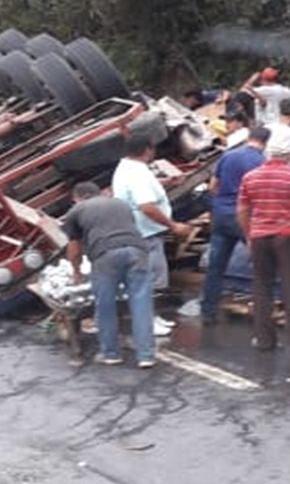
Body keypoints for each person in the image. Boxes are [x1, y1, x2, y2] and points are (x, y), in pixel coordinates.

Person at [236, 129, 290, 353]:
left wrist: (249, 235)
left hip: (259, 237)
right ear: (288, 155)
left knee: (262, 288)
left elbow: (242, 210)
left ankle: (264, 340)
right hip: (288, 236)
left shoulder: (250, 177)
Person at [62, 181, 156, 368]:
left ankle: (111, 353)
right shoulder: (120, 204)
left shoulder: (75, 211)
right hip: (137, 251)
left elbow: (74, 249)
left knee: (105, 305)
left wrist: (76, 272)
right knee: (141, 304)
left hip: (105, 255)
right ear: (100, 193)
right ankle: (146, 356)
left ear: (76, 198)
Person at [201, 126, 269, 324]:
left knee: (216, 267)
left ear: (249, 137)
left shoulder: (228, 156)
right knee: (261, 265)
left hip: (222, 215)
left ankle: (208, 311)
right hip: (245, 218)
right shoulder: (261, 162)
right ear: (265, 143)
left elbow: (213, 186)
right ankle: (261, 311)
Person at [111, 134, 193, 293]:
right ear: (148, 150)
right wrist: (173, 225)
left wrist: (166, 182)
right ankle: (155, 309)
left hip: (134, 230)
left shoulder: (126, 167)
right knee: (154, 281)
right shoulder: (138, 174)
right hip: (145, 233)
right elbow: (146, 207)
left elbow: (137, 190)